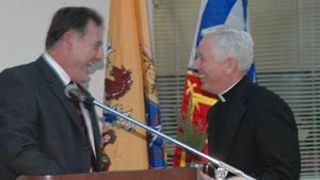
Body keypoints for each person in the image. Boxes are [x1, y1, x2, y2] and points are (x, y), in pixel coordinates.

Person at [0, 7, 104, 179]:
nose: (100, 56)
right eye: (96, 46)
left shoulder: (82, 95)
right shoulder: (20, 81)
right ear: (70, 40)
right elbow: (16, 149)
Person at [193, 25, 300, 179]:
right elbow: (223, 169)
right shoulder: (215, 111)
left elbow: (286, 174)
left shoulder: (267, 106)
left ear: (229, 65)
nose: (196, 65)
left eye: (202, 58)